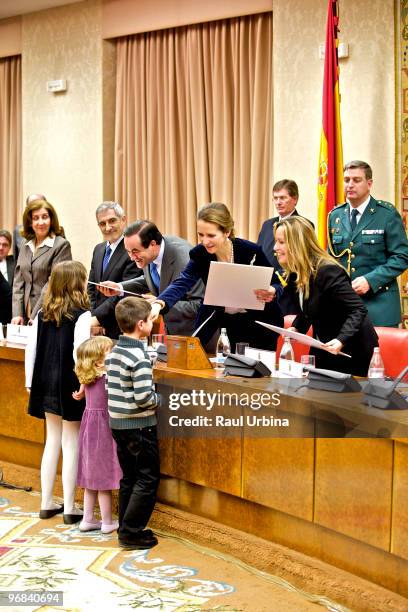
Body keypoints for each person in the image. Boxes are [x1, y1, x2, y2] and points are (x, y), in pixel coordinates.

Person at [149, 202, 284, 351]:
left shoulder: (250, 251)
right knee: (231, 368)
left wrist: (272, 289)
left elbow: (276, 282)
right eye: (201, 235)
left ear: (227, 231)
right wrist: (159, 303)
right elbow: (181, 283)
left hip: (260, 323)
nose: (205, 241)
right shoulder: (199, 254)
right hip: (228, 322)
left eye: (211, 235)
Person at [25, 261, 91, 524]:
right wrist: (85, 382)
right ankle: (70, 507)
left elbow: (31, 350)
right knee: (70, 441)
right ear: (77, 283)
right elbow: (81, 351)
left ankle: (45, 502)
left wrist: (31, 382)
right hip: (70, 381)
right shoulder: (82, 314)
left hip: (44, 381)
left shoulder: (42, 312)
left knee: (52, 440)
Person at [273, 217, 378, 376]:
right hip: (324, 344)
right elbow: (308, 308)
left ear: (297, 243)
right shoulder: (295, 272)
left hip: (351, 347)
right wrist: (296, 328)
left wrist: (341, 340)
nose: (275, 247)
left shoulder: (328, 271)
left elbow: (358, 310)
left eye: (281, 242)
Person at [106, 297, 160, 550]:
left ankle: (126, 525)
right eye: (150, 320)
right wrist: (159, 398)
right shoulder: (139, 356)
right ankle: (130, 532)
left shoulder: (115, 350)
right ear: (141, 324)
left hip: (118, 424)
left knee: (129, 477)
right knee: (147, 479)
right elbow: (144, 398)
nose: (153, 322)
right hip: (140, 426)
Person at [327, 160, 408, 327]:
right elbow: (330, 260)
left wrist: (370, 280)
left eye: (356, 180)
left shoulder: (386, 214)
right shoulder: (335, 216)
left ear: (369, 184)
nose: (350, 185)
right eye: (347, 180)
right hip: (344, 308)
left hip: (379, 306)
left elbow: (402, 256)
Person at [97, 221, 204, 336]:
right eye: (128, 252)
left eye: (135, 252)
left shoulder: (184, 259)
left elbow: (198, 305)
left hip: (197, 335)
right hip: (173, 334)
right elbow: (152, 280)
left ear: (152, 244)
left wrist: (160, 303)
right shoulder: (149, 255)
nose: (132, 258)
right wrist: (119, 287)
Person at [73, 336, 122, 534]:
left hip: (88, 429)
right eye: (110, 351)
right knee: (103, 479)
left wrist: (79, 394)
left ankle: (88, 519)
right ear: (100, 361)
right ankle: (108, 522)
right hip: (103, 428)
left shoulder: (86, 375)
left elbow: (81, 393)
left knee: (90, 477)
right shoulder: (107, 376)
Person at [257, 179, 314, 315]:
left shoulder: (303, 225)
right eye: (275, 198)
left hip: (288, 294)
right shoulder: (267, 225)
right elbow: (259, 256)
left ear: (295, 199)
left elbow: (300, 261)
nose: (278, 202)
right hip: (265, 294)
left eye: (283, 198)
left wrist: (276, 286)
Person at [12, 199, 72, 324]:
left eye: (45, 217)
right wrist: (17, 314)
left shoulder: (61, 245)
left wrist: (36, 315)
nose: (41, 222)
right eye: (36, 218)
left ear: (51, 220)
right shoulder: (25, 244)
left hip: (48, 314)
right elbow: (18, 282)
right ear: (29, 222)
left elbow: (53, 283)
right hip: (25, 316)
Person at [88, 202, 142, 338]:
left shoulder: (133, 250)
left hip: (121, 326)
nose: (107, 227)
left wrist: (97, 318)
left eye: (112, 221)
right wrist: (92, 314)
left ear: (123, 220)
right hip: (97, 329)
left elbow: (125, 292)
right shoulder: (98, 249)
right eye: (102, 223)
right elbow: (91, 288)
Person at [0, 230, 15, 323]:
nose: (1, 248)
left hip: (10, 315)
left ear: (9, 247)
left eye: (5, 245)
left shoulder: (15, 263)